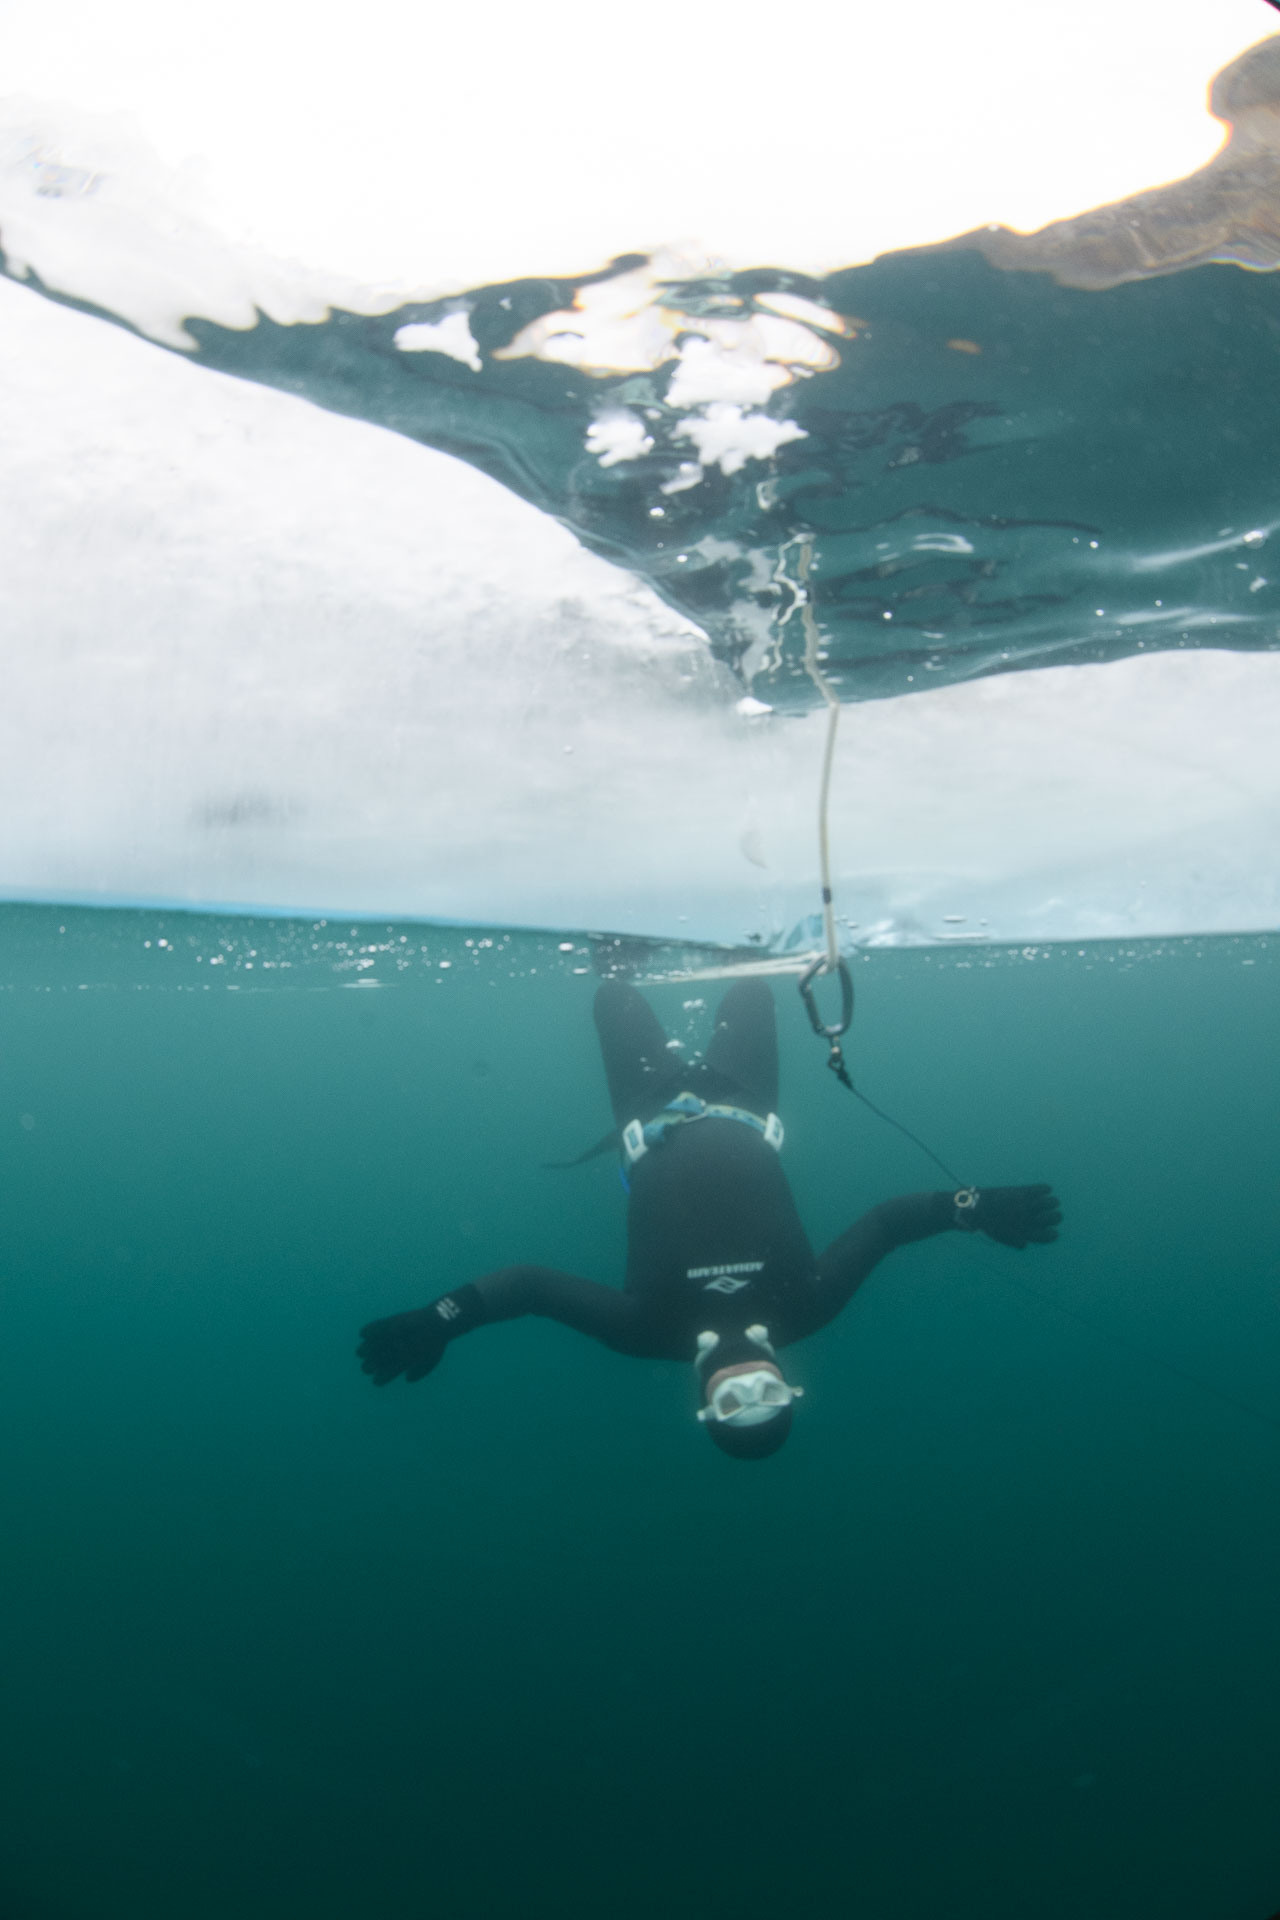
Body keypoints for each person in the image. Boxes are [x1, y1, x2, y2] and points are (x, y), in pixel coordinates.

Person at [357, 979, 1062, 1461]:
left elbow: (533, 1288)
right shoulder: (809, 1308)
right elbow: (884, 1226)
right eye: (769, 1395)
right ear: (791, 1388)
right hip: (744, 1098)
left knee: (613, 991)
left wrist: (444, 1317)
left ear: (705, 1405)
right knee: (751, 983)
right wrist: (973, 1208)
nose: (750, 1379)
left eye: (735, 1400)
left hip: (648, 1104)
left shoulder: (644, 1333)